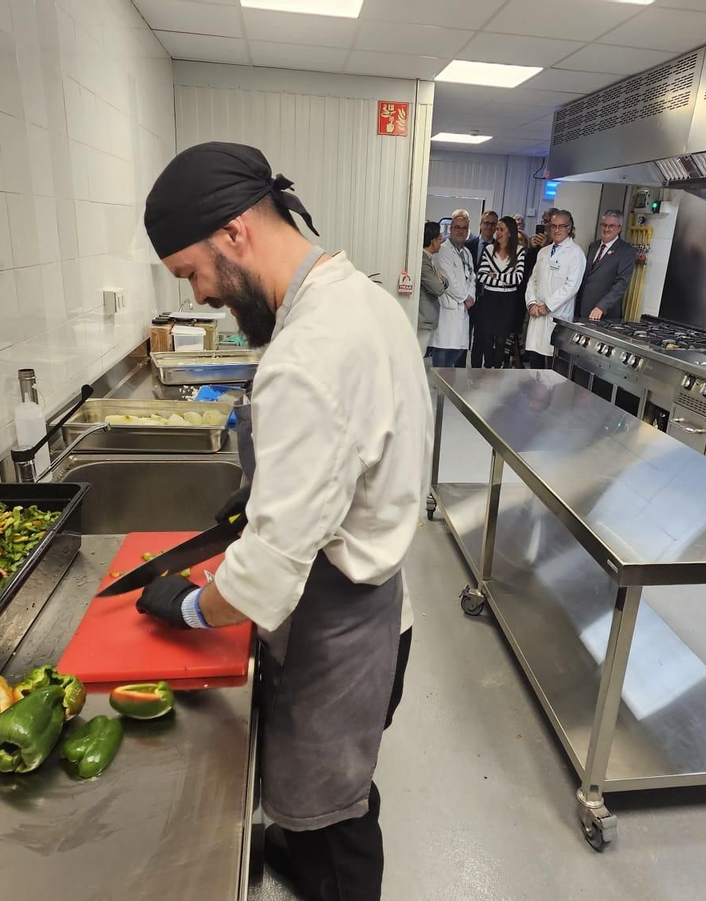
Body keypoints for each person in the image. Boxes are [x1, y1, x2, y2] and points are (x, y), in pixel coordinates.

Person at [138, 141, 427, 901]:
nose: (200, 296)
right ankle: (300, 854)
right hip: (381, 615)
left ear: (235, 232)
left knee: (337, 820)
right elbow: (362, 450)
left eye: (191, 273)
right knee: (339, 794)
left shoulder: (305, 356)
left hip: (336, 636)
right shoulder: (362, 297)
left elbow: (266, 575)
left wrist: (190, 604)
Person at [523, 208, 584, 369]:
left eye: (561, 226)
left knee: (553, 371)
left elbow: (572, 286)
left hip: (557, 316)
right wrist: (531, 303)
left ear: (569, 228)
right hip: (537, 316)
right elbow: (533, 280)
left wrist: (548, 305)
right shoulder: (543, 252)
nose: (556, 230)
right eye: (553, 226)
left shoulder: (576, 253)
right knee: (535, 366)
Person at [470, 215, 525, 368]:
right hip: (489, 299)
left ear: (510, 232)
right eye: (497, 229)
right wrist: (504, 280)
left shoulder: (519, 251)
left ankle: (497, 370)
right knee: (487, 338)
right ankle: (487, 368)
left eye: (501, 229)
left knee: (502, 339)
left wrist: (496, 275)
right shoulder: (489, 250)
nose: (497, 233)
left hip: (508, 301)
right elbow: (481, 275)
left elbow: (518, 278)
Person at [428, 212, 475, 367]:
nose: (460, 231)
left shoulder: (467, 252)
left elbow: (472, 277)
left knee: (458, 350)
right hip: (447, 308)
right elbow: (449, 282)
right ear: (450, 229)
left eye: (464, 228)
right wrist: (465, 298)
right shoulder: (442, 251)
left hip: (463, 309)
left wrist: (472, 297)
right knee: (442, 351)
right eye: (457, 227)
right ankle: (437, 389)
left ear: (468, 231)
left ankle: (445, 386)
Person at [576, 209, 635, 322]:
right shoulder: (593, 246)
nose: (607, 229)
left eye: (612, 226)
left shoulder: (626, 250)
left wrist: (601, 307)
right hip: (583, 310)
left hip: (605, 314)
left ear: (619, 228)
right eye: (604, 225)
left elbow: (621, 283)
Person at [418, 221, 447, 356]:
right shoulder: (423, 261)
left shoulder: (429, 259)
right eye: (439, 238)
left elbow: (442, 280)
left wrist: (442, 281)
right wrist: (441, 281)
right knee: (418, 356)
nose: (441, 241)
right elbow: (438, 289)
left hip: (426, 319)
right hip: (422, 318)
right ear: (432, 240)